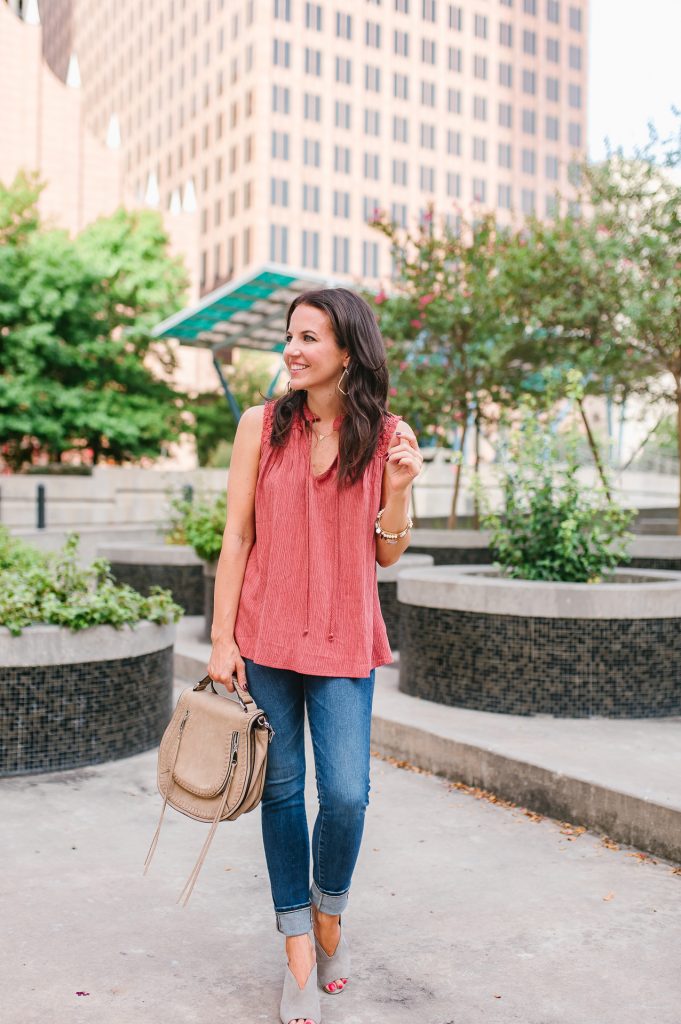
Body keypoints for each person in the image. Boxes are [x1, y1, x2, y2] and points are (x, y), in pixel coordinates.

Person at [207, 287, 422, 1024]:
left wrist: (395, 492)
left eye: (309, 339)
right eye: (289, 336)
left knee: (347, 795)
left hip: (341, 637)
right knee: (281, 793)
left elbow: (388, 553)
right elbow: (236, 537)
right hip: (265, 638)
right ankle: (298, 942)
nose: (292, 350)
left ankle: (329, 911)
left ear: (348, 352)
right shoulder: (258, 426)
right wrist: (220, 639)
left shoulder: (387, 432)